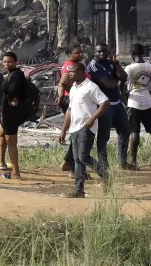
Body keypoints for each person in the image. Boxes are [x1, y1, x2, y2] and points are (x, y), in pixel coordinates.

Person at [59, 61, 109, 198]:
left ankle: (106, 176)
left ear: (81, 72)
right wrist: (64, 130)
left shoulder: (91, 87)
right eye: (68, 72)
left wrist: (92, 118)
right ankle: (79, 190)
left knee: (83, 156)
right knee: (77, 160)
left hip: (86, 127)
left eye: (72, 72)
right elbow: (69, 110)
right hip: (74, 128)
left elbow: (105, 102)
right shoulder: (73, 88)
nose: (69, 74)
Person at [124, 43, 151, 167]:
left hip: (133, 101)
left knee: (135, 132)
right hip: (147, 101)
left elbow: (120, 83)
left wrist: (125, 93)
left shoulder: (129, 68)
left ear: (132, 54)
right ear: (143, 53)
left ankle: (133, 161)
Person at [87, 43, 130, 172]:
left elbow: (124, 77)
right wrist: (117, 78)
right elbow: (108, 84)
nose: (102, 54)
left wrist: (116, 64)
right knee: (104, 135)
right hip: (104, 104)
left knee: (125, 131)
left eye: (104, 51)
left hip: (117, 102)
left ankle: (123, 162)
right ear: (94, 52)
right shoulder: (93, 66)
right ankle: (103, 164)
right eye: (99, 51)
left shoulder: (111, 63)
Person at [56, 45, 88, 171]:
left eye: (81, 52)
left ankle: (67, 162)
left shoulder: (75, 65)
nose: (80, 54)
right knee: (79, 134)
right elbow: (63, 82)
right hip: (72, 101)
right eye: (77, 52)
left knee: (78, 133)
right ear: (69, 54)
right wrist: (75, 93)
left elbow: (61, 84)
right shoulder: (70, 66)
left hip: (71, 99)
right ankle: (73, 168)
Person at [0, 51, 26, 180]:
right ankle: (2, 163)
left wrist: (8, 95)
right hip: (8, 113)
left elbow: (13, 90)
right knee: (1, 132)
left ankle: (16, 173)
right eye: (4, 62)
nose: (7, 64)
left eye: (9, 62)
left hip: (11, 114)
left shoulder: (16, 75)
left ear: (15, 62)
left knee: (11, 143)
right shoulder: (12, 74)